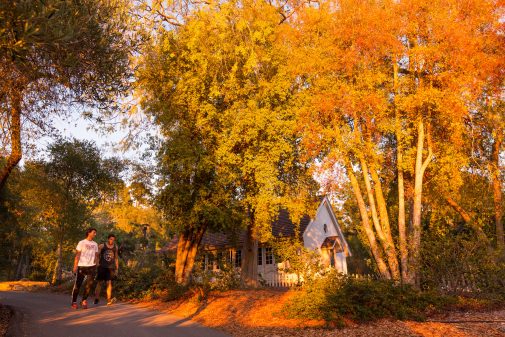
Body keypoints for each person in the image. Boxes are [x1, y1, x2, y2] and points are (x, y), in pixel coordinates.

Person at [71, 228, 99, 309]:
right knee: (78, 285)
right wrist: (75, 266)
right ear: (89, 233)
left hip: (92, 266)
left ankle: (83, 300)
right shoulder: (81, 242)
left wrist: (97, 265)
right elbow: (78, 255)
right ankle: (74, 301)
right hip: (82, 266)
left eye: (95, 233)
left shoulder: (95, 244)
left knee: (89, 285)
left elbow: (96, 256)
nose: (95, 234)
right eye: (94, 232)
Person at [94, 233, 119, 306]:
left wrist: (117, 268)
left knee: (109, 283)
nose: (112, 241)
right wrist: (97, 263)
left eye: (113, 240)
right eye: (111, 239)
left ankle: (108, 299)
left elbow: (116, 258)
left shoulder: (115, 247)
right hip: (102, 266)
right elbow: (97, 255)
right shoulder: (102, 246)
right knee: (100, 283)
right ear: (108, 239)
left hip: (110, 267)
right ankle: (96, 298)